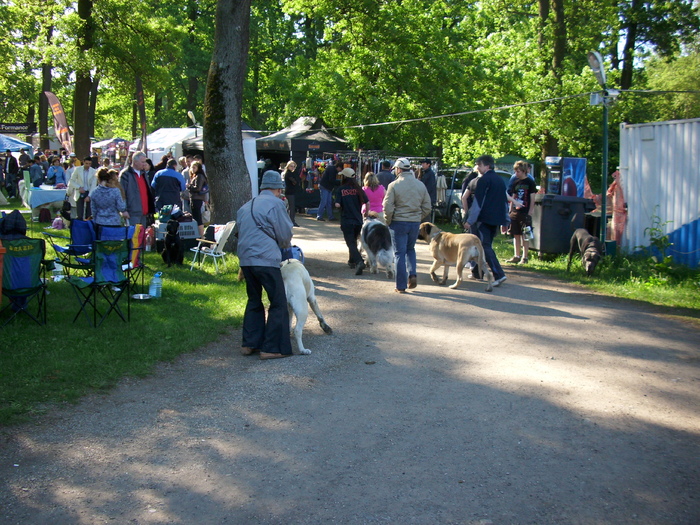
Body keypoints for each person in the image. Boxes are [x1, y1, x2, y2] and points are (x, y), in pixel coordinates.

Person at [237, 170, 294, 360]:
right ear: (278, 189)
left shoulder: (245, 206)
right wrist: (285, 248)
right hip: (266, 259)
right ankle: (271, 347)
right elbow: (285, 234)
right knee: (278, 302)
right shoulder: (277, 204)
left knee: (254, 299)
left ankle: (249, 343)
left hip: (246, 259)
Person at [383, 157, 431, 293]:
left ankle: (401, 285)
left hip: (398, 223)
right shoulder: (420, 185)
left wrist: (388, 220)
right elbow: (427, 206)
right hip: (414, 223)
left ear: (398, 169)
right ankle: (413, 274)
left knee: (399, 253)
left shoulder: (394, 185)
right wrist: (417, 217)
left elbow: (387, 206)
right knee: (410, 249)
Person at [464, 155, 508, 287]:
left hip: (483, 219)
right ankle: (478, 273)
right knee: (484, 246)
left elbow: (478, 203)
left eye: (480, 165)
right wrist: (506, 220)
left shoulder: (483, 181)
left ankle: (499, 274)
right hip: (495, 219)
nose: (477, 167)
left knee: (484, 247)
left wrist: (470, 220)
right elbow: (504, 202)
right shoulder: (500, 180)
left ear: (487, 166)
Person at [333, 167, 368, 274]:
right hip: (358, 220)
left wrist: (336, 204)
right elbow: (367, 202)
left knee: (350, 243)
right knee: (353, 240)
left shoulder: (340, 189)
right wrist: (366, 213)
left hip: (346, 219)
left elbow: (337, 204)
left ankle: (359, 261)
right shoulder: (358, 189)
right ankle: (351, 260)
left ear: (344, 177)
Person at [505, 160, 537, 264]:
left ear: (523, 171)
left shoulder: (530, 182)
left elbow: (533, 199)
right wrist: (510, 209)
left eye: (518, 171)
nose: (516, 173)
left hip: (525, 211)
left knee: (525, 234)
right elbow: (513, 197)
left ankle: (525, 257)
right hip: (515, 212)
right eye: (515, 171)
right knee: (515, 233)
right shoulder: (515, 182)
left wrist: (530, 212)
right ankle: (516, 255)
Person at [119, 151, 155, 227]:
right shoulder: (125, 174)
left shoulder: (144, 174)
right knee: (134, 236)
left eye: (145, 161)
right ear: (135, 162)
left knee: (142, 236)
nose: (145, 164)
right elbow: (121, 193)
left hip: (144, 212)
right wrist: (124, 210)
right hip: (132, 212)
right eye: (142, 162)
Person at [187, 160, 208, 236]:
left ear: (198, 168)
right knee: (196, 217)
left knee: (198, 217)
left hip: (197, 199)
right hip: (195, 198)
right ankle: (198, 234)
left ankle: (201, 235)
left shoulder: (199, 176)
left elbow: (197, 188)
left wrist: (189, 186)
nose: (192, 169)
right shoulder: (196, 176)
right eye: (192, 167)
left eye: (194, 167)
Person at [282, 160, 299, 226]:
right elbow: (294, 182)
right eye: (291, 166)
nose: (293, 168)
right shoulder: (289, 173)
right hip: (290, 192)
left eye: (294, 166)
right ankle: (292, 221)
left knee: (289, 207)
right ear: (288, 166)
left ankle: (288, 220)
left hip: (290, 191)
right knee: (292, 207)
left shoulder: (289, 173)